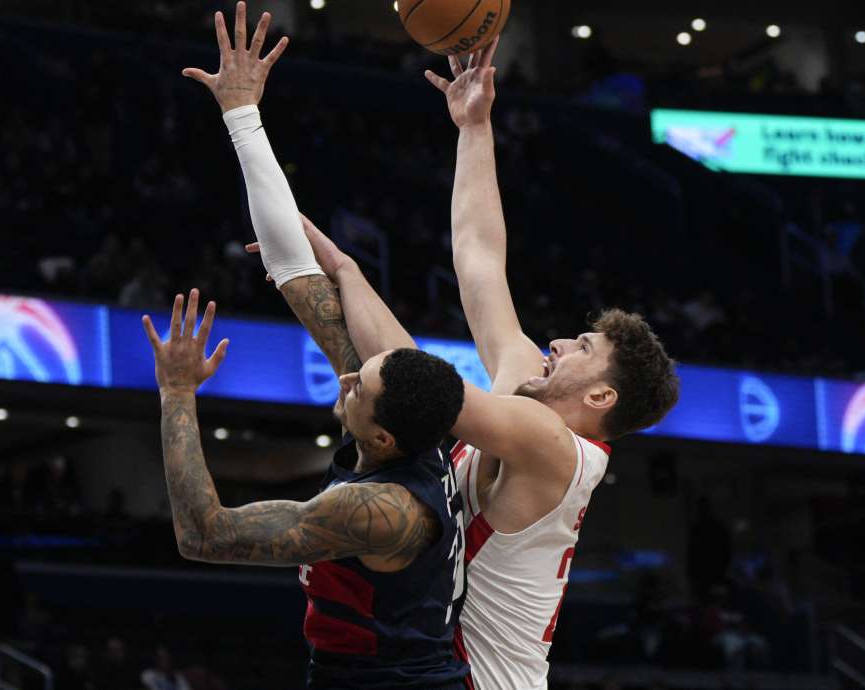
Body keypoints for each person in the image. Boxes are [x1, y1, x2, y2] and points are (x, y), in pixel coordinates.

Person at [244, 38, 680, 690]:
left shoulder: (554, 445)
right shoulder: (525, 403)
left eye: (582, 349)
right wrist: (474, 127)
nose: (558, 343)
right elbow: (479, 261)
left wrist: (346, 272)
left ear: (600, 398)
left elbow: (413, 377)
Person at [170, 6, 469, 688]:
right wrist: (242, 116)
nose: (348, 377)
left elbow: (203, 534)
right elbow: (293, 268)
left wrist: (176, 394)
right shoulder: (405, 422)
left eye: (362, 386)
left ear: (384, 437)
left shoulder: (381, 512)